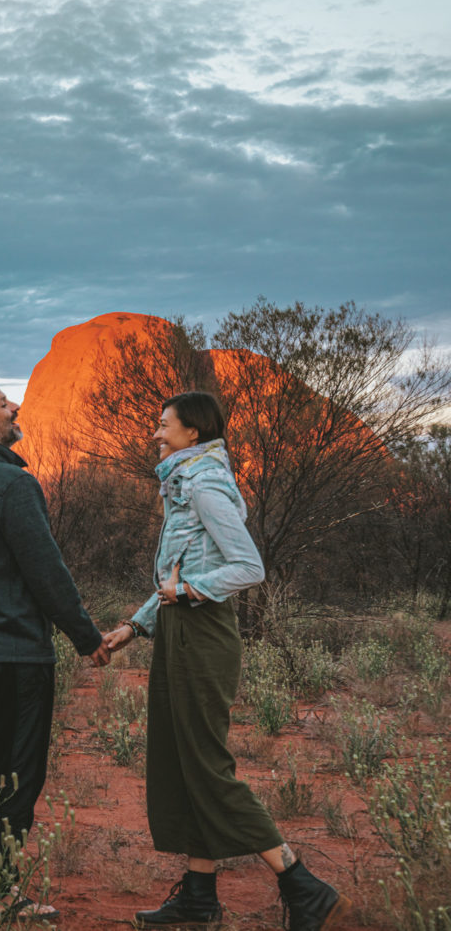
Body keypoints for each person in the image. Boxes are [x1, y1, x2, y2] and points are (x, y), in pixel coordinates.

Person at [101, 391, 347, 931]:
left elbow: (248, 567)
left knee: (206, 764)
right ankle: (198, 895)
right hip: (178, 629)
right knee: (183, 760)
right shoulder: (184, 482)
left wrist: (190, 592)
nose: (156, 432)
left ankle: (300, 883)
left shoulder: (206, 484)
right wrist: (136, 625)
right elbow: (174, 576)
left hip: (202, 634)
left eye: (164, 424)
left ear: (193, 433)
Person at [0, 380, 110, 918]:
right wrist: (86, 637)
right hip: (16, 652)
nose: (15, 408)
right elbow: (46, 572)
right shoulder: (12, 485)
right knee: (17, 773)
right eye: (4, 404)